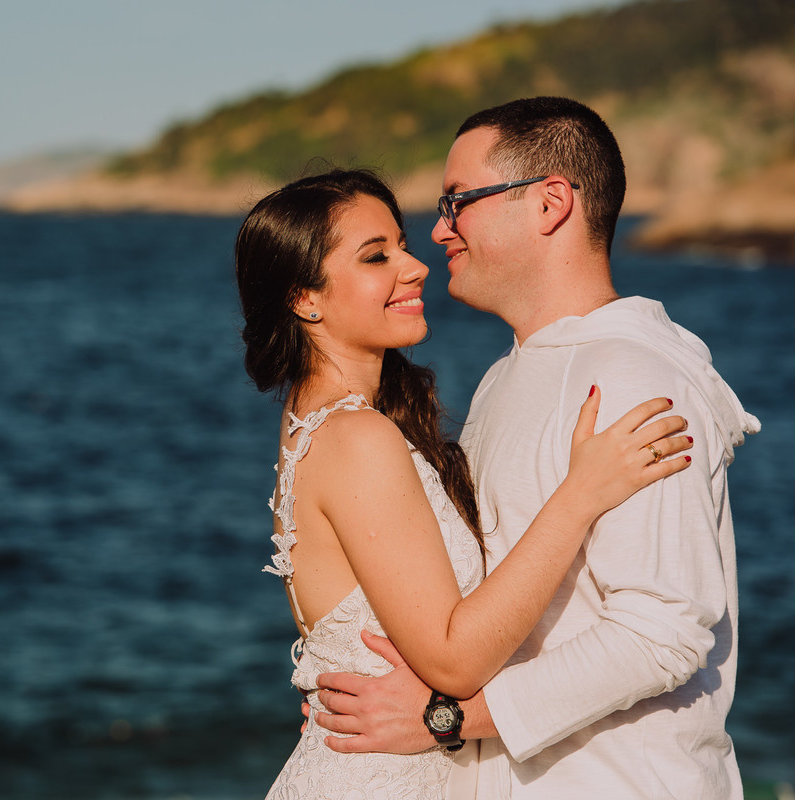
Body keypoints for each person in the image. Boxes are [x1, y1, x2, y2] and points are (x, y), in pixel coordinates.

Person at [311, 98, 760, 799]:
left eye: (459, 201)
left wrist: (448, 717)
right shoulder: (507, 374)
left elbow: (661, 631)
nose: (439, 230)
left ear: (551, 203)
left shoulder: (633, 376)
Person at [234, 167, 693, 800]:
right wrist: (582, 494)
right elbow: (454, 660)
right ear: (304, 299)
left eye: (402, 245)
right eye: (376, 257)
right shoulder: (358, 438)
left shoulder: (318, 422)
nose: (415, 266)